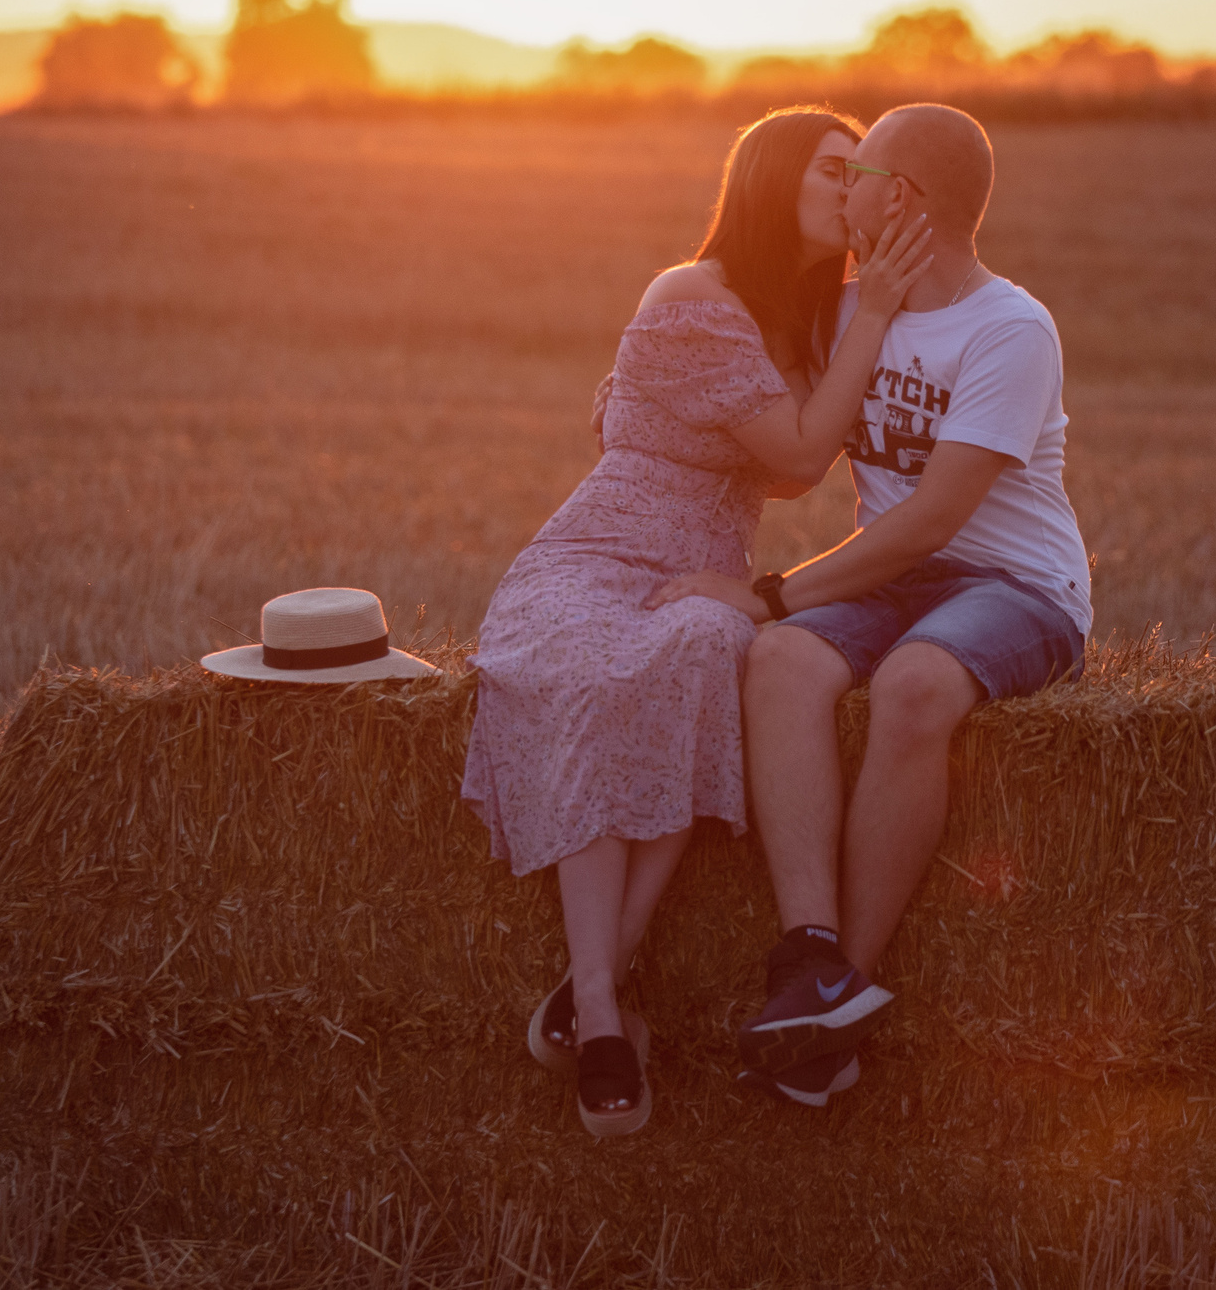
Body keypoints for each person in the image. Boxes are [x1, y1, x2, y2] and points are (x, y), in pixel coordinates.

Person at [461, 106, 934, 1137]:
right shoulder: (692, 297)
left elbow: (797, 462)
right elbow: (805, 457)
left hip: (700, 578)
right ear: (770, 180)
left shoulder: (805, 320)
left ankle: (594, 984)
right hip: (591, 560)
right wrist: (875, 313)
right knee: (594, 676)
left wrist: (873, 308)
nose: (853, 191)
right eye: (833, 171)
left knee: (701, 653)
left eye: (863, 176)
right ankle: (598, 1010)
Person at [641, 103, 1092, 1107]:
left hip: (1015, 585)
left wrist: (770, 593)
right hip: (891, 582)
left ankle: (841, 977)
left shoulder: (1010, 327)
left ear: (907, 197)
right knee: (782, 663)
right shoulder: (847, 313)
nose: (844, 188)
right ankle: (808, 957)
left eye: (861, 171)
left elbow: (933, 519)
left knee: (917, 682)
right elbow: (787, 439)